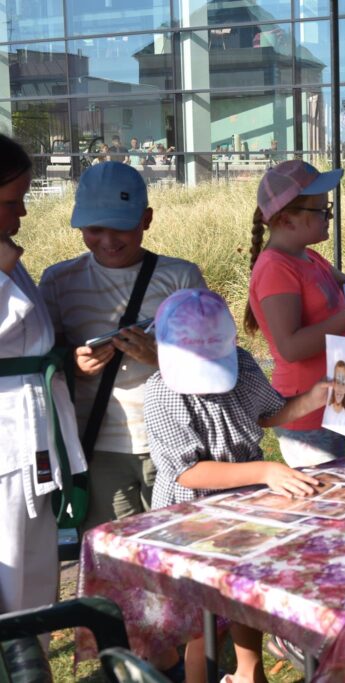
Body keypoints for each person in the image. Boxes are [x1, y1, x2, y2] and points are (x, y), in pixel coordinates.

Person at [144, 288, 326, 683]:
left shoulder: (242, 365)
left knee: (246, 596)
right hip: (192, 519)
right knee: (204, 622)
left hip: (244, 508)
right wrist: (263, 471)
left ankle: (249, 672)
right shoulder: (160, 392)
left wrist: (312, 398)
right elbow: (187, 472)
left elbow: (268, 414)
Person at [39, 162, 206, 530]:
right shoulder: (58, 281)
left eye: (121, 227)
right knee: (114, 547)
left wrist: (159, 358)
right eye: (95, 229)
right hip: (97, 443)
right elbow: (41, 359)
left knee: (175, 541)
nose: (108, 240)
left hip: (173, 438)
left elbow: (212, 358)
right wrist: (72, 363)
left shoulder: (181, 276)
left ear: (147, 220)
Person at [0, 133, 88, 640]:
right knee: (14, 569)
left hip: (28, 432)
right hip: (7, 444)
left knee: (33, 567)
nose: (23, 212)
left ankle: (28, 659)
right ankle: (21, 663)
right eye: (11, 201)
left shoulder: (9, 257)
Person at [245, 160, 345, 467]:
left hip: (335, 392)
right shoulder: (275, 268)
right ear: (286, 219)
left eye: (327, 208)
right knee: (325, 489)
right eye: (321, 210)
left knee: (339, 474)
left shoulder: (309, 257)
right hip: (308, 407)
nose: (329, 216)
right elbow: (291, 347)